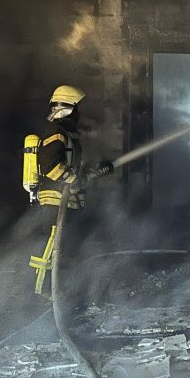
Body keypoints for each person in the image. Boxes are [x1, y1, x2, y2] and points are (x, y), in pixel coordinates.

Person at [24, 85, 113, 296]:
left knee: (65, 252)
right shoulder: (56, 133)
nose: (80, 114)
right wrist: (75, 179)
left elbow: (71, 168)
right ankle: (41, 297)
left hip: (65, 204)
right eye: (77, 108)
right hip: (55, 204)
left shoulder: (67, 135)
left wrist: (93, 170)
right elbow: (50, 166)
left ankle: (63, 295)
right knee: (51, 254)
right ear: (68, 108)